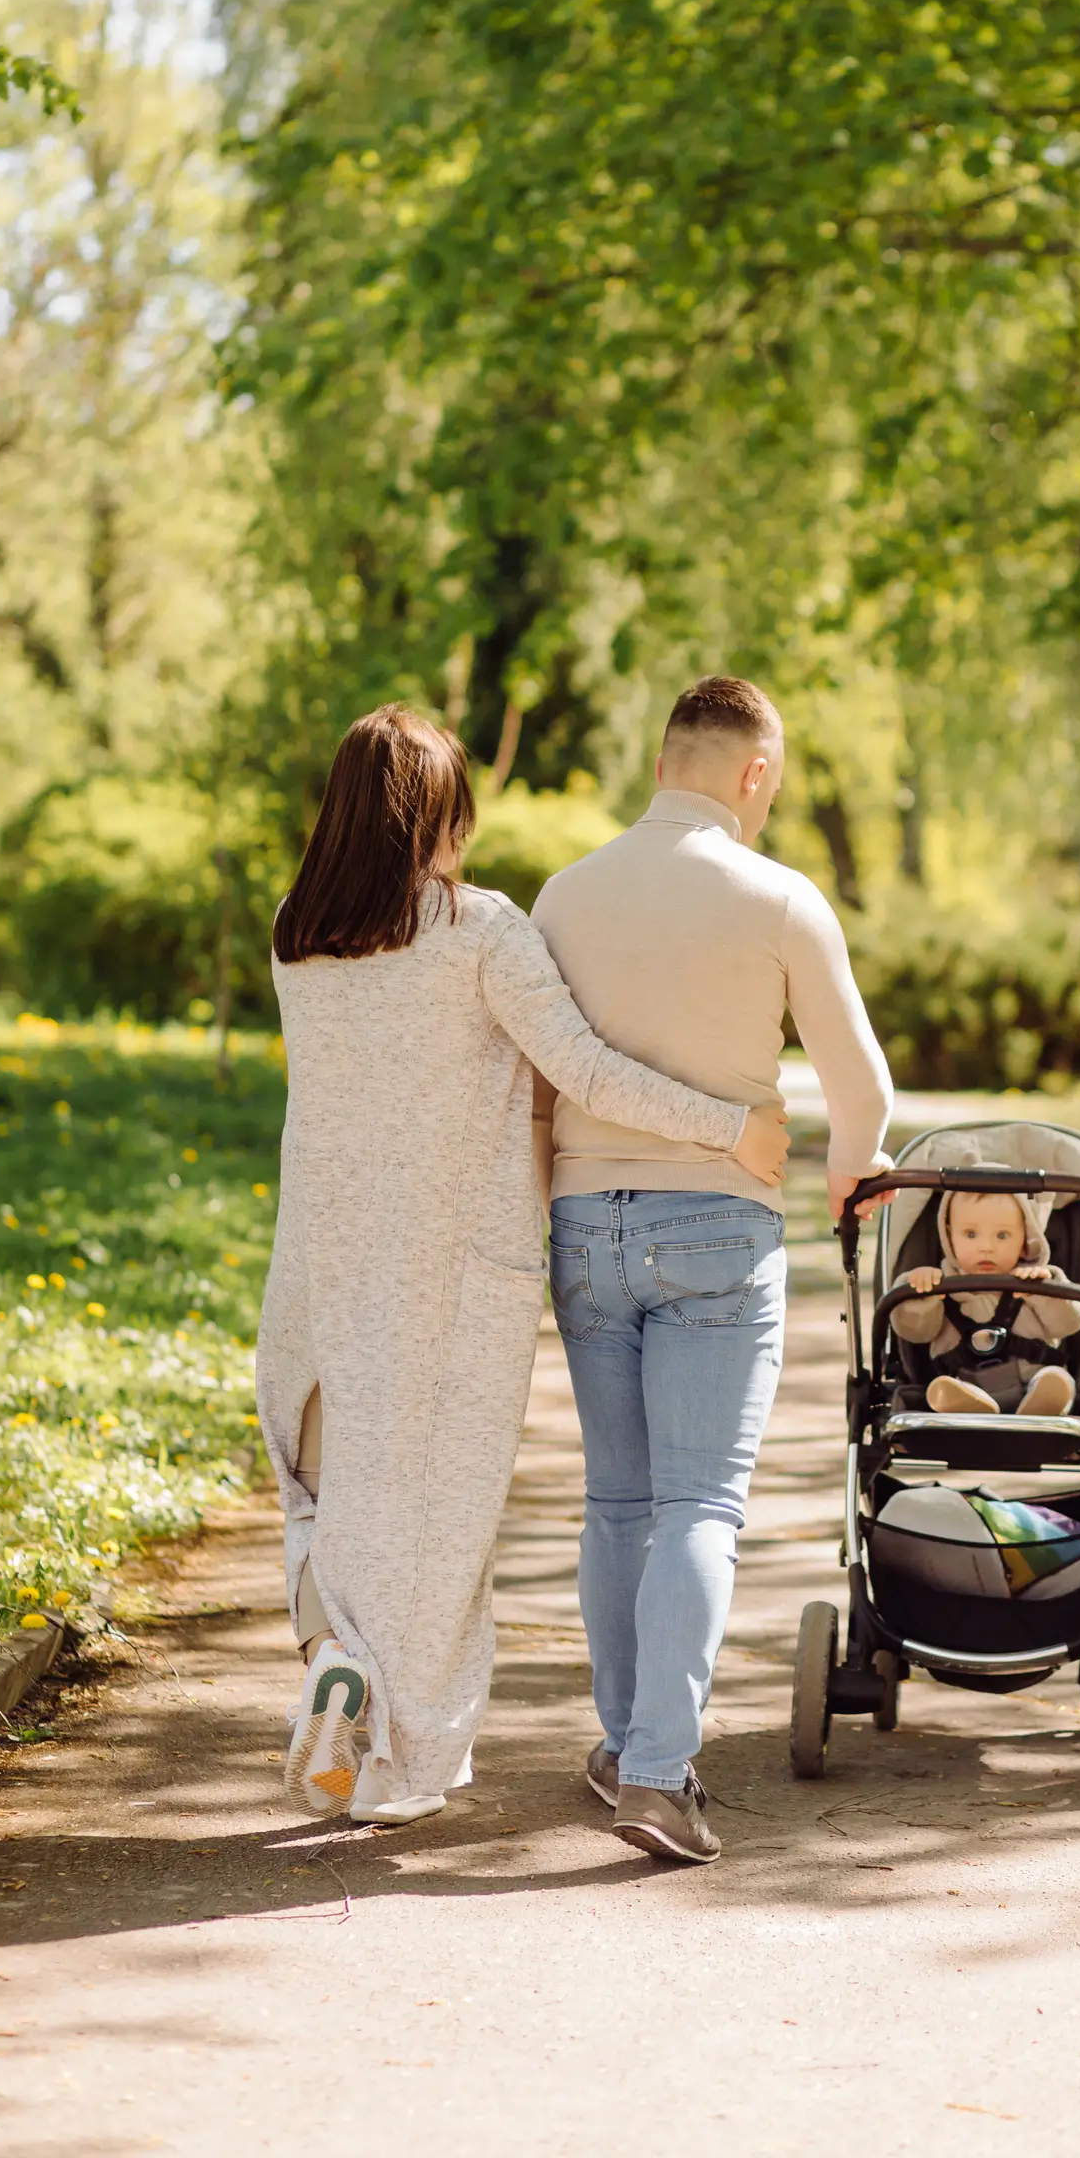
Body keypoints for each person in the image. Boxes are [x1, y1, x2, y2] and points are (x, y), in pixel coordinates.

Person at [256, 705, 790, 1827]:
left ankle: (334, 1654)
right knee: (443, 1523)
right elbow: (585, 1068)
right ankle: (400, 1764)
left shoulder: (295, 934)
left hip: (322, 1259)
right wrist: (725, 1124)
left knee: (330, 1489)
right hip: (460, 1268)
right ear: (436, 813)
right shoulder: (480, 930)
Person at [532, 676, 894, 1864]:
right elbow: (862, 1090)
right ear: (752, 772)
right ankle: (654, 1771)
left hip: (584, 1223)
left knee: (616, 1502)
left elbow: (545, 1074)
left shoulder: (564, 894)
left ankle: (623, 1747)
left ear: (663, 756)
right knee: (698, 1503)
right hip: (715, 1228)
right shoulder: (778, 899)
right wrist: (852, 1175)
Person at [891, 1180, 1080, 1417]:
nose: (986, 1247)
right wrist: (922, 1295)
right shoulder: (938, 1284)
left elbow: (1069, 1323)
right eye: (971, 1234)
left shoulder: (1038, 1281)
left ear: (1025, 1238)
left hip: (1033, 1383)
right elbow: (915, 1332)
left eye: (1002, 1235)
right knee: (945, 1388)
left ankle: (1046, 1401)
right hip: (964, 1383)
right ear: (949, 1236)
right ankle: (968, 1404)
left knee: (1055, 1379)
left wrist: (1044, 1292)